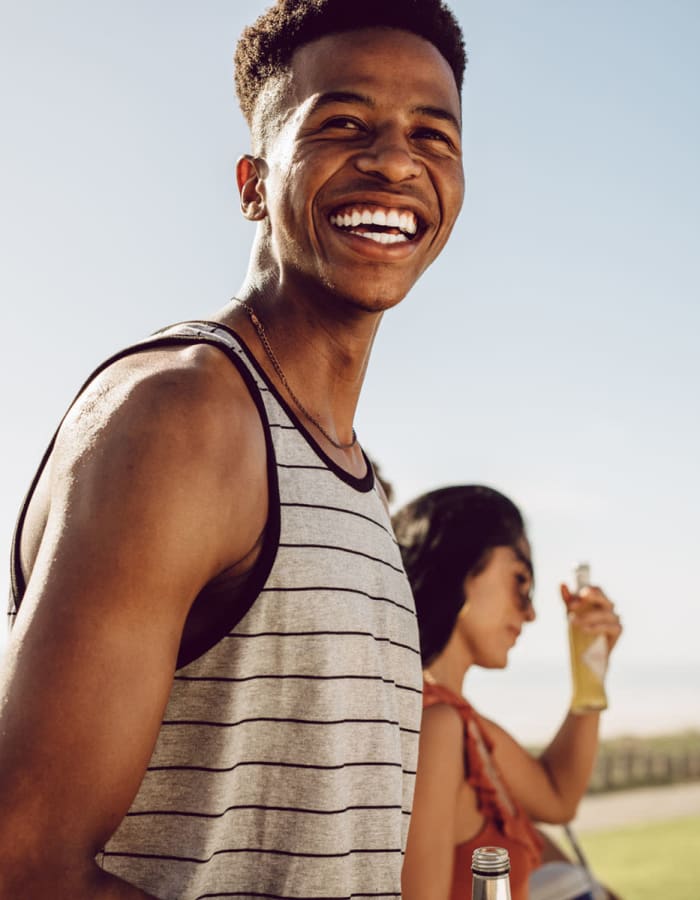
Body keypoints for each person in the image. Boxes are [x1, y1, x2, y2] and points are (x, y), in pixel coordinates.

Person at [0, 3, 467, 898]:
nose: (395, 161)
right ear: (253, 183)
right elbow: (25, 866)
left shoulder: (358, 482)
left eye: (432, 135)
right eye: (343, 124)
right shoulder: (184, 419)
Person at [393, 485, 622, 900]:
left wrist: (591, 669)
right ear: (461, 565)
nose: (531, 612)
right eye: (521, 580)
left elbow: (557, 795)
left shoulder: (456, 719)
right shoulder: (436, 724)